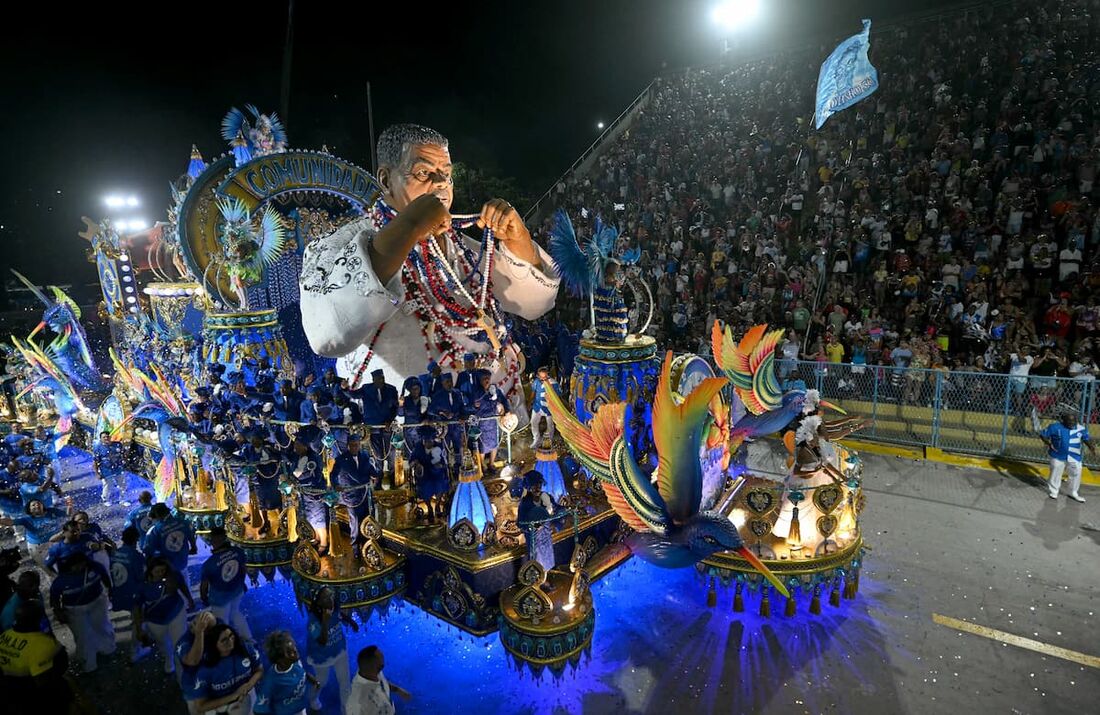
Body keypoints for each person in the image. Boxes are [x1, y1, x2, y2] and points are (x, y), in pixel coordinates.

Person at [299, 123, 560, 413]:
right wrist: (410, 226)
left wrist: (519, 240)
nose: (440, 184)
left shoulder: (462, 246)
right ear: (385, 179)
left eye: (446, 175)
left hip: (496, 415)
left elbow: (533, 304)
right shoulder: (339, 244)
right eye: (423, 173)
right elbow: (328, 335)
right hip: (409, 427)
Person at [0, 601, 75, 712]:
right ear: (38, 620)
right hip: (32, 693)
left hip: (10, 688)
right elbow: (42, 682)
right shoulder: (42, 643)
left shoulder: (5, 635)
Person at [48, 552, 115, 673]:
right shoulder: (61, 581)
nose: (79, 568)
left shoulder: (95, 567)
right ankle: (88, 663)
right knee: (82, 635)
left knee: (102, 626)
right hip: (74, 610)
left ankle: (107, 649)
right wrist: (58, 612)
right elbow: (54, 599)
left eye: (82, 564)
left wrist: (110, 591)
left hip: (97, 603)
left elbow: (105, 577)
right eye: (76, 566)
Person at [134, 555, 195, 674]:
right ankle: (169, 659)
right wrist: (139, 627)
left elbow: (182, 586)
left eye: (163, 570)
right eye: (157, 571)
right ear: (150, 571)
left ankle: (182, 670)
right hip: (155, 620)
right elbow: (137, 607)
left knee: (180, 642)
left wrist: (189, 599)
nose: (161, 574)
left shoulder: (173, 576)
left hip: (176, 612)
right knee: (163, 643)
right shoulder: (142, 585)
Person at [305, 587, 358, 713]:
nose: (331, 599)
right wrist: (325, 621)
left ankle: (346, 710)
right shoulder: (313, 621)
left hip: (339, 650)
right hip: (321, 656)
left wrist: (351, 622)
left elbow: (340, 615)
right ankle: (313, 698)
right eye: (326, 598)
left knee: (345, 683)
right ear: (318, 602)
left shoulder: (334, 608)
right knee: (322, 681)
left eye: (331, 596)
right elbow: (322, 641)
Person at [192, 623, 263, 715]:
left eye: (231, 635)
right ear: (214, 645)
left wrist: (249, 685)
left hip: (246, 695)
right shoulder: (205, 669)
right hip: (218, 705)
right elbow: (200, 706)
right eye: (224, 640)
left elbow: (259, 670)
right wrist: (234, 696)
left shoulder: (245, 648)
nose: (230, 640)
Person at [200, 526, 252, 642]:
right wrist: (241, 583)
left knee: (221, 623)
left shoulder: (209, 564)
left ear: (214, 540)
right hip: (237, 591)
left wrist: (204, 598)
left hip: (219, 599)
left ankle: (226, 644)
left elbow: (204, 586)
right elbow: (243, 570)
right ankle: (249, 639)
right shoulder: (238, 552)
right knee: (236, 613)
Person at [109, 526, 151, 662]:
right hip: (134, 594)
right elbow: (141, 576)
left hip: (120, 591)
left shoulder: (115, 553)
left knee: (134, 618)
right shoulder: (136, 556)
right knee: (138, 621)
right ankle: (136, 650)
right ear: (136, 539)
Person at [331, 433, 380, 551]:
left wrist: (375, 474)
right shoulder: (341, 459)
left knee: (368, 518)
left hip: (365, 493)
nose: (354, 447)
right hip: (351, 496)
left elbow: (370, 469)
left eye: (356, 445)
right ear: (348, 445)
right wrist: (336, 485)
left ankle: (369, 543)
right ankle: (355, 547)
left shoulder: (365, 455)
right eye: (352, 445)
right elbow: (333, 475)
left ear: (359, 445)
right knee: (355, 522)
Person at [253, 630, 318, 715]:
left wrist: (312, 680)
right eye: (289, 652)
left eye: (293, 647)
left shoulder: (295, 662)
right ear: (280, 660)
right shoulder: (271, 682)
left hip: (301, 708)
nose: (295, 651)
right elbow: (258, 710)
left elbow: (302, 672)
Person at [1040, 407, 1096, 502]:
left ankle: (1073, 492)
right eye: (1069, 421)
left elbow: (1085, 438)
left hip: (1074, 456)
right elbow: (1043, 435)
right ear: (1063, 420)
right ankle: (1054, 491)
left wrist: (1091, 447)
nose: (1072, 423)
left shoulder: (1081, 429)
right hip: (1057, 455)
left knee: (1076, 472)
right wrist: (1049, 443)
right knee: (1056, 472)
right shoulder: (1054, 427)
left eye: (1074, 421)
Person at [141, 503, 198, 593]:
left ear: (157, 516)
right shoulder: (183, 522)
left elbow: (148, 550)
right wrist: (194, 547)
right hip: (182, 561)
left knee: (171, 592)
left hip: (166, 567)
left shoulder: (155, 530)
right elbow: (191, 536)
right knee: (185, 585)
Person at [288, 431, 329, 554]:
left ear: (305, 446)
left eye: (297, 445)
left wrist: (299, 482)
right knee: (311, 517)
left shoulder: (313, 458)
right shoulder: (298, 457)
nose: (295, 447)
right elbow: (295, 472)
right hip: (305, 494)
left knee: (319, 518)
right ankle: (316, 537)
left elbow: (315, 477)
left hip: (315, 493)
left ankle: (324, 543)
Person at [345, 645, 411, 715]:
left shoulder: (372, 672)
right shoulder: (357, 702)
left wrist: (397, 689)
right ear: (374, 667)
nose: (382, 668)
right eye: (381, 666)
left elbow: (382, 683)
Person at [470, 369, 509, 474]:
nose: (487, 380)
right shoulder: (476, 392)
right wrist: (475, 406)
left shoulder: (494, 389)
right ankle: (481, 465)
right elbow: (470, 406)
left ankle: (491, 463)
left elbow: (503, 400)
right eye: (484, 379)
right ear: (480, 380)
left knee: (494, 444)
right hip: (482, 423)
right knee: (482, 447)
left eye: (488, 378)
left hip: (493, 422)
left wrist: (507, 411)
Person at [428, 372, 467, 476]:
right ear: (442, 383)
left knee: (458, 447)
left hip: (456, 427)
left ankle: (458, 468)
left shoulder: (457, 393)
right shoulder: (437, 396)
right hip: (444, 428)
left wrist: (463, 416)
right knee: (444, 448)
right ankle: (446, 470)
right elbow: (430, 410)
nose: (449, 384)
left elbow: (462, 407)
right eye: (447, 382)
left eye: (450, 381)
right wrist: (442, 412)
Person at [359, 368, 399, 466]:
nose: (381, 381)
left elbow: (395, 407)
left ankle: (392, 472)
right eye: (378, 379)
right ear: (373, 380)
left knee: (391, 451)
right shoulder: (366, 389)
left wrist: (390, 420)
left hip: (387, 426)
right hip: (373, 427)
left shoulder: (391, 389)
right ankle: (378, 472)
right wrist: (345, 389)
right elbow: (354, 394)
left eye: (382, 378)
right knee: (377, 454)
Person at [409, 425, 449, 523]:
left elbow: (445, 462)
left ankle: (438, 505)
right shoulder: (418, 448)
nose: (428, 444)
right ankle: (429, 507)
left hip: (437, 472)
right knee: (425, 486)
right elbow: (411, 462)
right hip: (424, 473)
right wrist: (416, 463)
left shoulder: (439, 446)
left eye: (430, 441)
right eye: (426, 442)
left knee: (440, 483)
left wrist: (440, 465)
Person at [93, 431, 129, 506]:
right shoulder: (98, 448)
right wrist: (97, 473)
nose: (106, 438)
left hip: (118, 469)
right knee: (108, 486)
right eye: (104, 437)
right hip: (106, 471)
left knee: (123, 485)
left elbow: (124, 454)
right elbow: (95, 462)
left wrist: (124, 463)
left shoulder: (117, 444)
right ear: (100, 439)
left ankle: (123, 500)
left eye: (107, 436)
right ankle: (105, 500)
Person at [529, 366, 558, 449]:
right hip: (537, 406)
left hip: (549, 408)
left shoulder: (553, 383)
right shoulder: (536, 382)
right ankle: (536, 439)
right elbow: (533, 393)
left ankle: (549, 441)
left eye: (545, 377)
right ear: (538, 376)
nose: (543, 379)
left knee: (550, 425)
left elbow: (558, 397)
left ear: (548, 375)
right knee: (533, 422)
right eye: (541, 377)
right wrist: (529, 403)